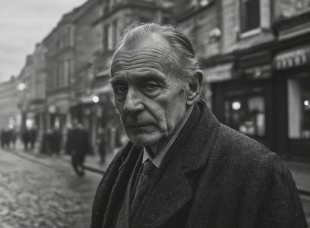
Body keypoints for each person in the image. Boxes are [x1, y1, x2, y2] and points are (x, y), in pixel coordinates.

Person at [91, 23, 306, 228]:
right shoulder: (122, 163)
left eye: (150, 85)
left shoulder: (258, 172)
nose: (130, 105)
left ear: (192, 88)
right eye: (120, 88)